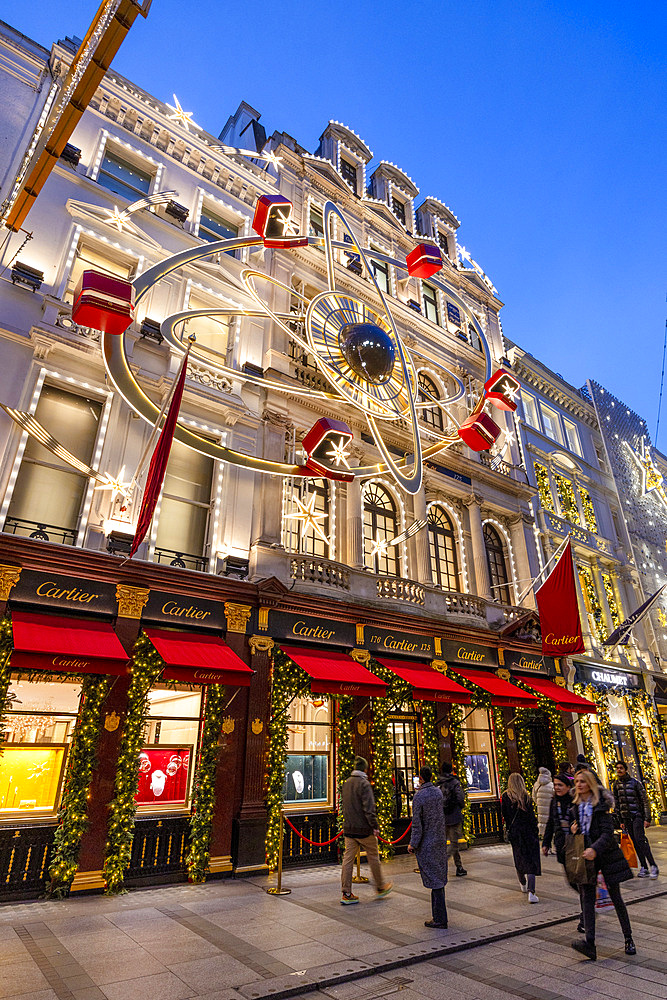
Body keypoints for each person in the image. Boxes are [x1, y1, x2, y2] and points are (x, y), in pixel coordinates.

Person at [569, 768, 635, 960]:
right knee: (587, 900)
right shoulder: (576, 808)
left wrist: (594, 849)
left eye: (582, 781)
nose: (578, 785)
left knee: (616, 898)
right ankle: (590, 943)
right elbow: (583, 834)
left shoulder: (601, 805)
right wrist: (575, 832)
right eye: (576, 782)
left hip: (606, 856)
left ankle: (628, 938)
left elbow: (607, 834)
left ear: (590, 784)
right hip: (587, 859)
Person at [340, 756, 393, 904]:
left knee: (348, 860)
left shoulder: (346, 783)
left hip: (349, 828)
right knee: (373, 857)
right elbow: (369, 809)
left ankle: (346, 893)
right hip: (364, 829)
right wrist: (375, 826)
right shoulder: (364, 784)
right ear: (365, 769)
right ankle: (380, 886)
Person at [408, 766, 449, 928]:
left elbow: (417, 824)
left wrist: (413, 843)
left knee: (435, 881)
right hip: (439, 840)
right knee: (438, 878)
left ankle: (440, 918)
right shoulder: (438, 793)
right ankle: (438, 915)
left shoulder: (419, 797)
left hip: (427, 842)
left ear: (421, 778)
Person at [612, 760, 659, 879]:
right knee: (635, 842)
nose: (619, 770)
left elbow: (644, 800)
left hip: (636, 815)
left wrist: (647, 818)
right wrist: (621, 821)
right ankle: (644, 866)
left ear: (625, 769)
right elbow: (617, 803)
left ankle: (653, 865)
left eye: (621, 768)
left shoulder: (635, 783)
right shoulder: (616, 785)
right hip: (626, 818)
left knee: (640, 840)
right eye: (617, 768)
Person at [501, 772, 541, 903]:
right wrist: (536, 831)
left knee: (518, 858)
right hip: (528, 832)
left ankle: (522, 883)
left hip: (515, 833)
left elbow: (505, 816)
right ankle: (531, 891)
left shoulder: (506, 797)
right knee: (531, 861)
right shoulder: (526, 797)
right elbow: (531, 817)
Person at [435, 761, 467, 877]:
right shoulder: (454, 782)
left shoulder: (438, 783)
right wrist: (460, 806)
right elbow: (460, 797)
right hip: (454, 816)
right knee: (454, 844)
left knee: (444, 843)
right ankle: (442, 864)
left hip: (442, 817)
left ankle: (459, 866)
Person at [542, 772, 574, 865]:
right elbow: (551, 822)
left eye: (560, 785)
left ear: (568, 787)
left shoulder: (574, 801)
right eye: (555, 785)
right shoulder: (554, 802)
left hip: (575, 841)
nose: (557, 788)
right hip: (561, 843)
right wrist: (546, 843)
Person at [532, 767, 554, 839]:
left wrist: (539, 803)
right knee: (549, 825)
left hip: (540, 809)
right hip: (549, 809)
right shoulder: (551, 785)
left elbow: (534, 797)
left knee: (542, 825)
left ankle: (546, 843)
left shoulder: (536, 785)